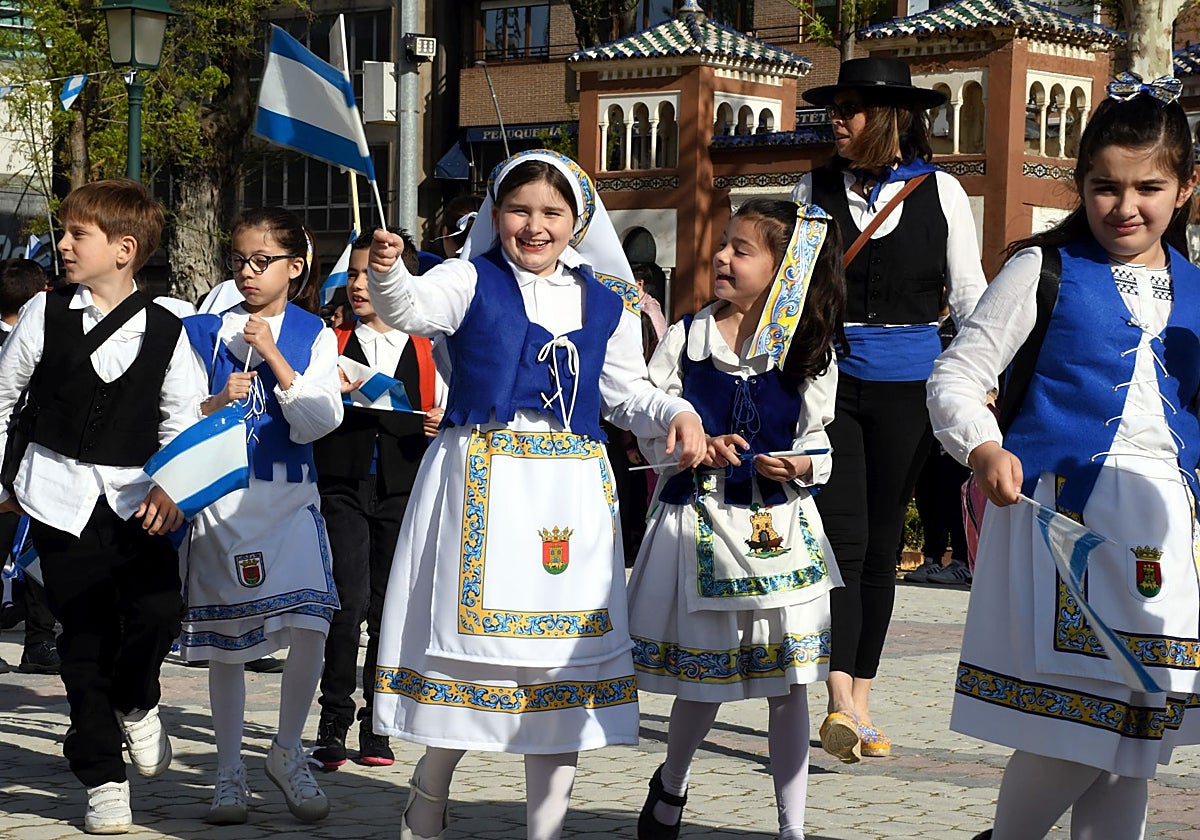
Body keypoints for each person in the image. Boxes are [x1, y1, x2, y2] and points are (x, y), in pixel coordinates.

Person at [367, 149, 705, 840]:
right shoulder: (468, 278)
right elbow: (411, 308)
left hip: (569, 494)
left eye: (552, 212)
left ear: (577, 223)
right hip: (482, 484)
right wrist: (387, 269)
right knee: (477, 662)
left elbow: (625, 393)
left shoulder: (606, 299)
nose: (535, 225)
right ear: (496, 215)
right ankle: (432, 784)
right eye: (520, 209)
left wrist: (675, 412)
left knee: (563, 669)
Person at [927, 75, 1200, 840]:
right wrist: (981, 445)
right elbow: (958, 374)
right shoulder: (1040, 270)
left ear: (1185, 188)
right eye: (1104, 187)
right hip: (1063, 519)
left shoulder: (1198, 293)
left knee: (1140, 730)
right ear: (1078, 187)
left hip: (1168, 530)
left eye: (1150, 186)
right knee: (1079, 721)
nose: (1126, 206)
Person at [628, 199, 845, 840]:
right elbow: (648, 416)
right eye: (723, 244)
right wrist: (691, 440)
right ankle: (672, 783)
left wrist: (800, 466)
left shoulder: (809, 349)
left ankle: (791, 827)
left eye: (741, 249)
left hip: (778, 531)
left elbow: (821, 441)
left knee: (790, 682)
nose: (722, 257)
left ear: (783, 270)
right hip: (700, 520)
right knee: (705, 675)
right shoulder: (686, 338)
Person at [791, 56, 986, 760]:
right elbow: (791, 294)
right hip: (831, 386)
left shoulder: (943, 192)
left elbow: (970, 298)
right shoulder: (809, 188)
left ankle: (861, 703)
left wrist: (986, 380)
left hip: (912, 389)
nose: (836, 119)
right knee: (841, 538)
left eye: (850, 108)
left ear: (892, 115)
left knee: (880, 547)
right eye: (834, 107)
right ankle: (839, 699)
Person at [0, 179, 202, 834]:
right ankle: (103, 777)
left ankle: (139, 702)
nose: (61, 244)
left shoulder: (169, 328)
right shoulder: (42, 313)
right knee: (81, 640)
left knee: (159, 612)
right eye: (63, 232)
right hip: (56, 498)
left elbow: (185, 424)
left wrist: (173, 489)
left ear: (124, 248)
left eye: (75, 234)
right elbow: (2, 400)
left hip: (139, 502)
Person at [177, 207, 343, 826]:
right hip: (224, 503)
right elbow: (176, 417)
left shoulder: (312, 332)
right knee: (226, 643)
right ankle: (228, 770)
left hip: (289, 497)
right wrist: (215, 401)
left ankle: (287, 748)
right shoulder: (204, 332)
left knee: (311, 622)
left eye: (261, 261)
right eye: (240, 259)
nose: (247, 272)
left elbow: (320, 420)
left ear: (294, 268)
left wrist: (275, 357)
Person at [311, 228, 447, 770]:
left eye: (370, 273)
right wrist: (326, 392)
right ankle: (333, 720)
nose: (358, 284)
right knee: (345, 606)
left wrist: (444, 419)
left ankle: (380, 722)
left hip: (401, 490)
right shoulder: (331, 342)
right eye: (353, 272)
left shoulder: (428, 347)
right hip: (341, 487)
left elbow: (453, 407)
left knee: (388, 609)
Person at [0, 259, 59, 675]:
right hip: (6, 472)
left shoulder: (55, 338)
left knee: (40, 554)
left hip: (41, 468)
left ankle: (40, 640)